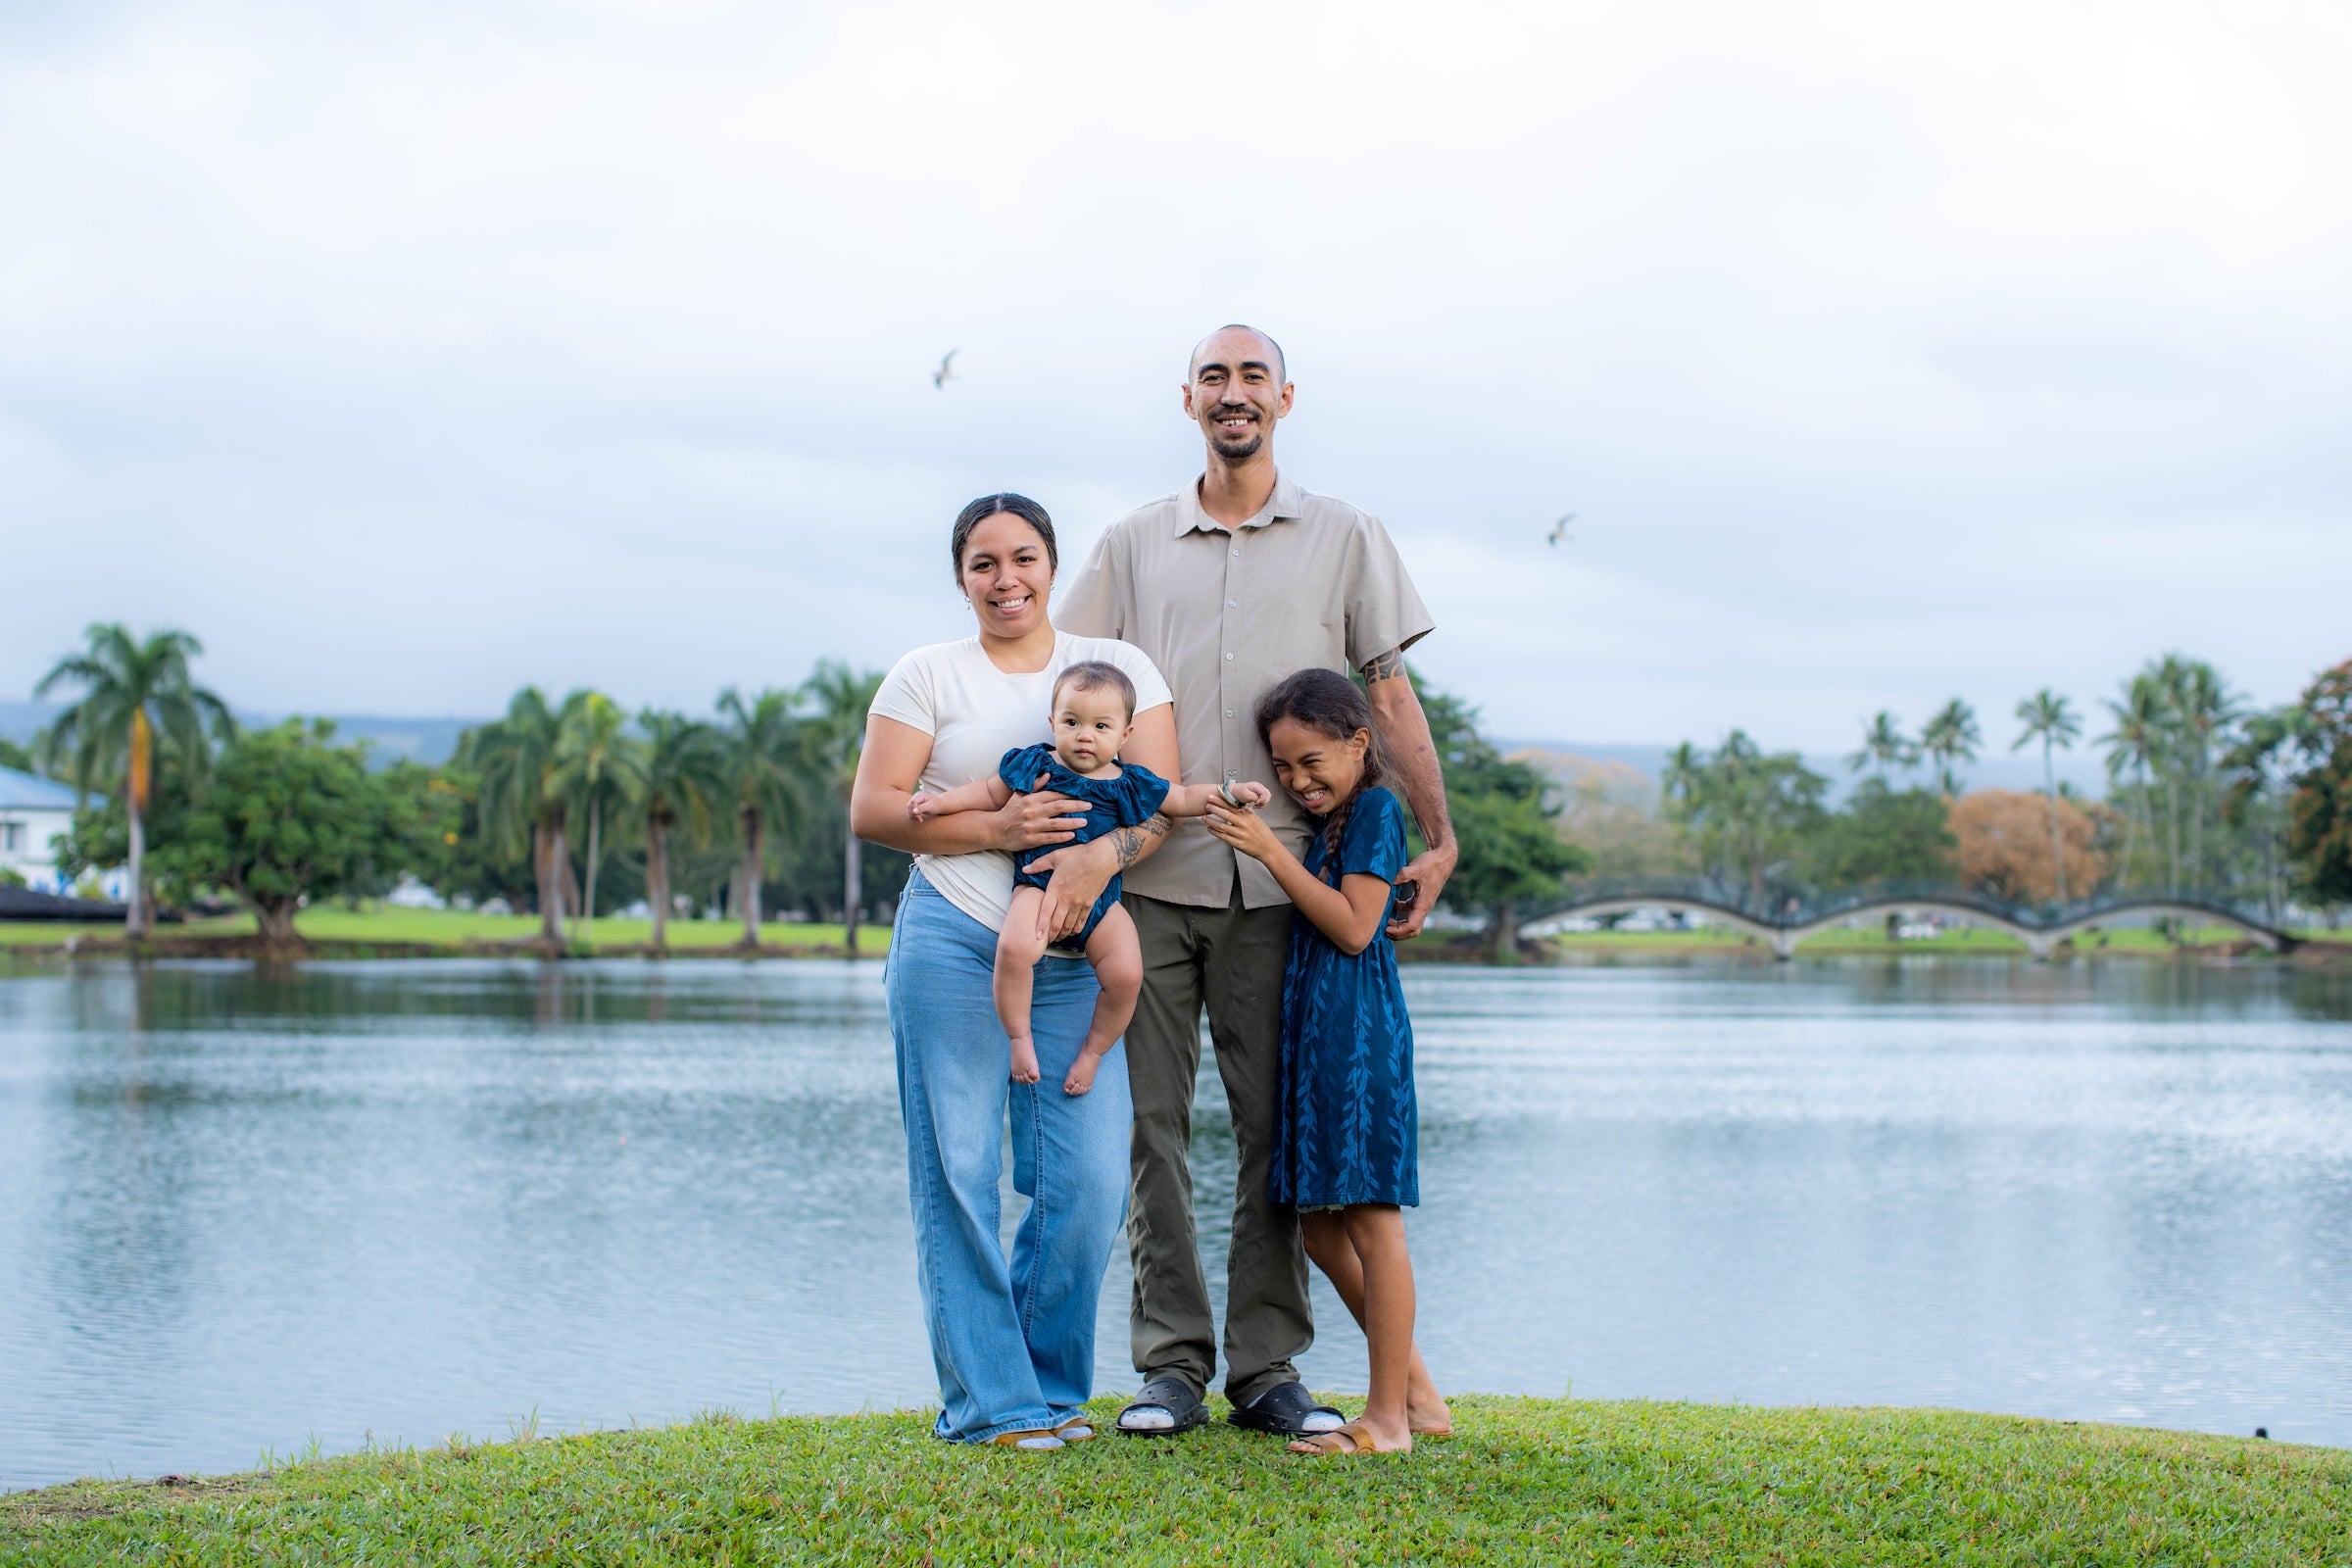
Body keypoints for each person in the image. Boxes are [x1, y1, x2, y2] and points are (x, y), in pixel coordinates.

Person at [1051, 324, 1459, 1440]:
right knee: (1152, 1130)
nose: (1234, 394)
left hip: (1287, 895)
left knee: (1276, 1140)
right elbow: (1069, 690)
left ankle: (1267, 1368)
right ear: (1188, 399)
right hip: (1151, 879)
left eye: (1252, 377)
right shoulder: (1131, 543)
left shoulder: (1346, 535)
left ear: (1284, 397)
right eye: (1214, 378)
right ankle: (1170, 1367)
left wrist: (1439, 834)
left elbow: (1389, 694)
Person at [849, 493, 1174, 1450]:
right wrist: (998, 828)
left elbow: (1157, 806)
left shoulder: (1118, 671)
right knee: (957, 1172)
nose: (1006, 580)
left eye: (1023, 558)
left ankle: (1050, 1390)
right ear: (961, 578)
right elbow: (875, 809)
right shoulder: (926, 674)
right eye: (983, 563)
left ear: (1052, 565)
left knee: (1090, 1183)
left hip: (1076, 951)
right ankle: (992, 1405)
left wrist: (1096, 859)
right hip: (954, 938)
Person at [1203, 668, 1447, 1456]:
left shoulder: (1375, 810)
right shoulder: (1336, 821)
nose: (1297, 780)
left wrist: (1269, 851)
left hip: (1358, 1041)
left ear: (1359, 744)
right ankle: (1419, 1399)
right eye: (1283, 767)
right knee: (1317, 1229)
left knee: (1373, 1223)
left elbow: (1353, 927)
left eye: (1311, 762)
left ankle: (1386, 1421)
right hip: (1316, 1042)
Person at [906, 660, 1272, 1094]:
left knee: (1127, 974)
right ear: (1052, 722)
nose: (1085, 735)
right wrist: (940, 803)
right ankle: (1019, 1038)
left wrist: (1232, 793)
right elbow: (987, 793)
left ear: (1125, 735)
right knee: (1015, 949)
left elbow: (1184, 798)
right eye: (1072, 722)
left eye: (1101, 726)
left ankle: (1094, 1052)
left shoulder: (1131, 783)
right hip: (1037, 887)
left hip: (1102, 903)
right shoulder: (1036, 765)